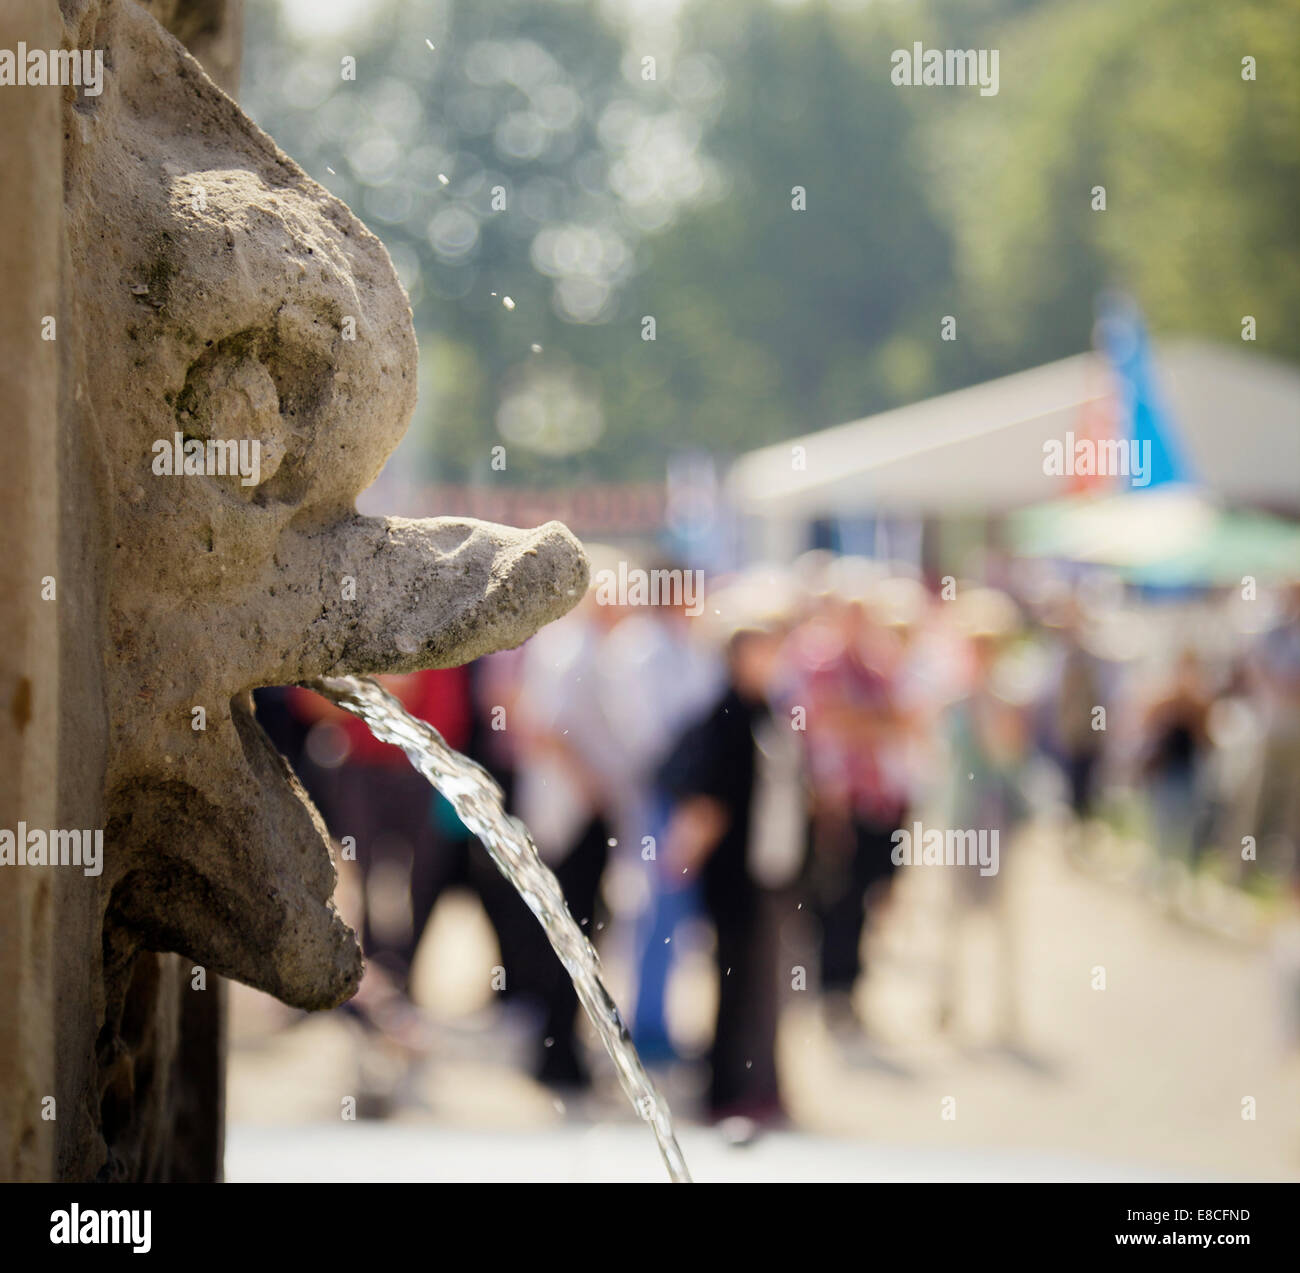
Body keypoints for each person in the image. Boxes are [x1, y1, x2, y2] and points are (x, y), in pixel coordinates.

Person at [658, 621, 803, 1124]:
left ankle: (762, 1085)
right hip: (735, 874)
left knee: (763, 986)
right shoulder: (726, 715)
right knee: (737, 984)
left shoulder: (768, 710)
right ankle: (731, 1090)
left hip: (771, 868)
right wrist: (684, 851)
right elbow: (709, 796)